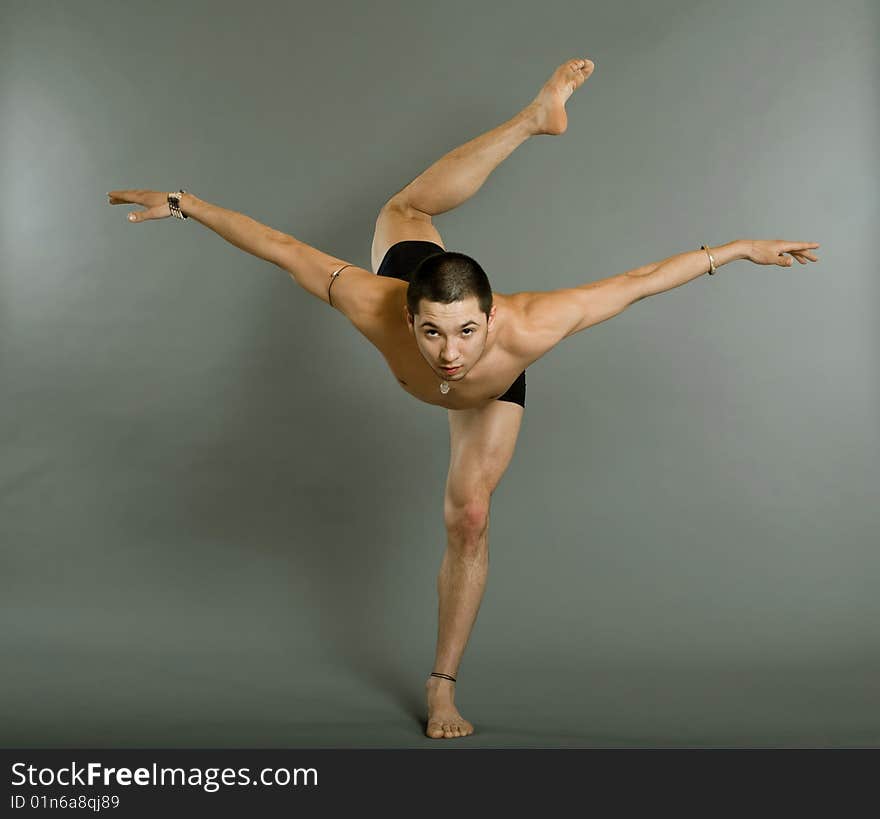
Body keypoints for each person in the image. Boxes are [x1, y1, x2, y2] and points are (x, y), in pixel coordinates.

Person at [108, 57, 820, 740]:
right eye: (433, 332)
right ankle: (536, 117)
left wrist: (737, 248)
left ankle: (441, 681)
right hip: (415, 264)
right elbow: (280, 246)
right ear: (408, 315)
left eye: (466, 330)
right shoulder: (372, 299)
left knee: (470, 516)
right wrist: (183, 203)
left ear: (491, 313)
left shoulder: (530, 324)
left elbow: (640, 280)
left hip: (492, 392)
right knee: (406, 208)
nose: (450, 352)